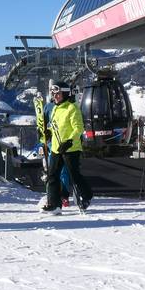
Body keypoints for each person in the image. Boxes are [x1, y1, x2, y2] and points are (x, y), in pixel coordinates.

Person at [44, 80, 92, 213]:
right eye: (53, 94)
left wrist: (69, 141)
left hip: (71, 148)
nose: (55, 96)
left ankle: (87, 196)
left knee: (74, 175)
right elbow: (55, 126)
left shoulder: (72, 108)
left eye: (57, 93)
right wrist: (49, 132)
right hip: (56, 147)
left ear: (65, 94)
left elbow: (79, 128)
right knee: (52, 175)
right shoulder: (55, 108)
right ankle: (54, 204)